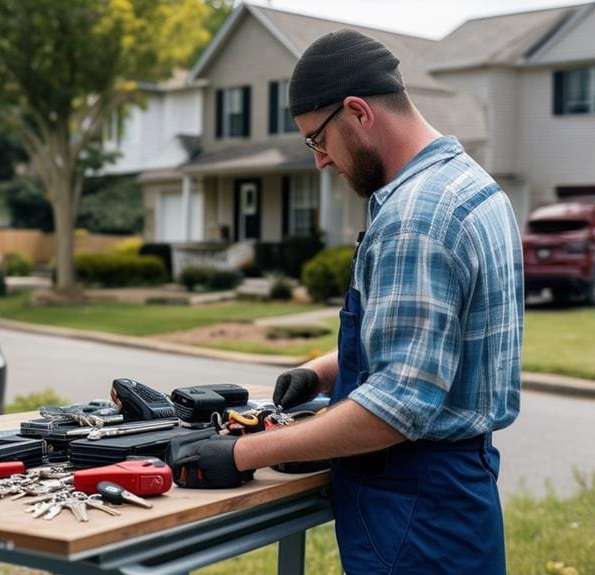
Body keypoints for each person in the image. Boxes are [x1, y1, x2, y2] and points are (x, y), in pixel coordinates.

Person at [169, 29, 523, 573]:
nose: (320, 162)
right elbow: (435, 349)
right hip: (457, 499)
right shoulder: (473, 187)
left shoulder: (415, 218)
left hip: (413, 510)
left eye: (317, 139)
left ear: (358, 112)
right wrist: (320, 373)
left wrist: (241, 453)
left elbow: (395, 410)